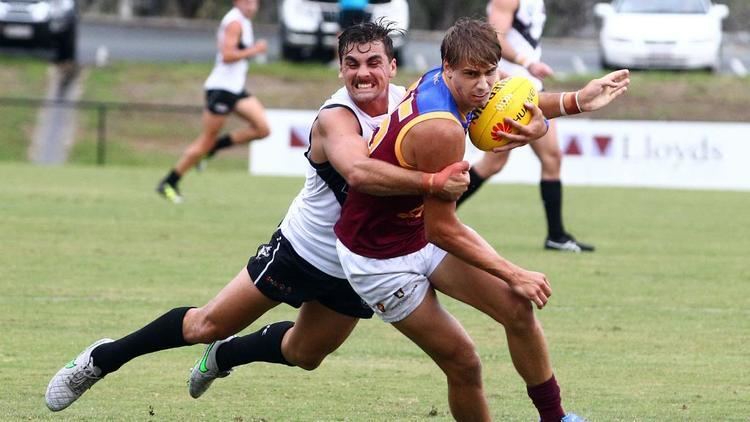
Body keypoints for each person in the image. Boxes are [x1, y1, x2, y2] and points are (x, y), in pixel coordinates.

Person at [44, 22, 473, 413]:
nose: (363, 73)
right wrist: (433, 182)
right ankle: (102, 360)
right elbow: (359, 174)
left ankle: (224, 357)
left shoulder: (412, 104)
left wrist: (529, 120)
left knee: (306, 356)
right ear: (340, 70)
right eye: (352, 63)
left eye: (373, 62)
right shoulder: (335, 117)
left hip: (361, 267)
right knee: (206, 324)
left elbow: (490, 91)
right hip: (304, 250)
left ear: (392, 66)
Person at [334, 18, 628, 421]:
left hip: (417, 232)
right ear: (448, 67)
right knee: (465, 363)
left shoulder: (459, 79)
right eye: (471, 74)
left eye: (489, 72)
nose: (483, 85)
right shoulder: (441, 129)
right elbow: (442, 229)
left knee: (517, 310)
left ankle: (555, 418)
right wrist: (513, 271)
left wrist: (577, 101)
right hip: (380, 257)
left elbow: (512, 101)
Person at [457, 0, 594, 253]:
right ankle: (432, 219)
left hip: (526, 85)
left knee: (542, 158)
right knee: (524, 160)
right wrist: (527, 62)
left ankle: (556, 235)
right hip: (507, 89)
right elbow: (494, 40)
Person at [156, 0, 270, 204]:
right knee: (205, 140)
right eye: (247, 1)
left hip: (235, 89)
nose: (252, 6)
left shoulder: (243, 21)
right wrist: (255, 50)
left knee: (262, 128)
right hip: (221, 90)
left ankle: (213, 149)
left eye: (255, 2)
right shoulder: (234, 22)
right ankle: (169, 182)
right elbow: (226, 55)